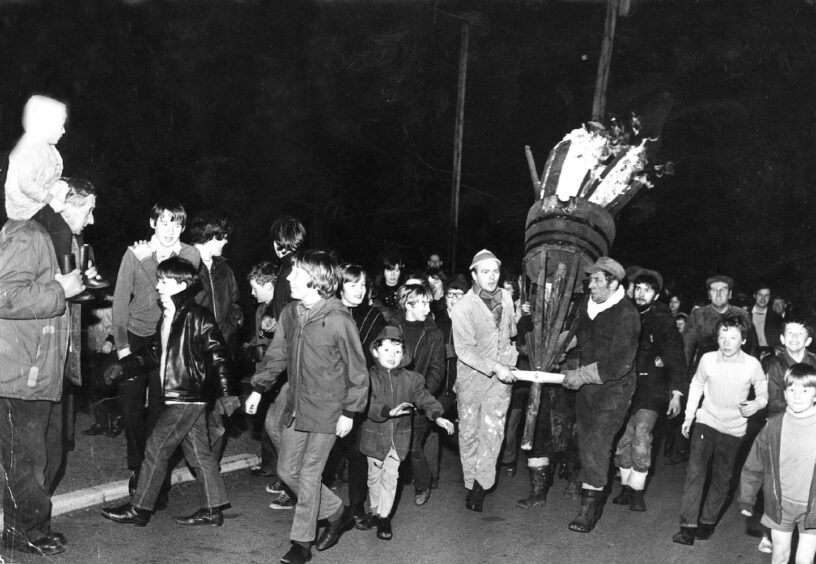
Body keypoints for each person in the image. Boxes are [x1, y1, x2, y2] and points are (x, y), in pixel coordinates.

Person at [244, 250, 368, 564]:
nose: (287, 278)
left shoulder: (339, 320)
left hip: (330, 411)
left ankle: (301, 544)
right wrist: (258, 388)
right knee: (287, 471)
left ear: (316, 281)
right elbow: (276, 355)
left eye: (295, 274)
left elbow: (358, 372)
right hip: (298, 407)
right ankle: (337, 511)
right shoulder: (290, 313)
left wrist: (349, 412)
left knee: (310, 474)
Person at [101, 257, 240, 527]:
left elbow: (218, 356)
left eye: (164, 281)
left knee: (155, 446)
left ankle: (140, 508)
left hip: (187, 395)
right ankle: (212, 510)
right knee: (199, 452)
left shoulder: (197, 316)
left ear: (180, 285)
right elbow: (154, 353)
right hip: (183, 395)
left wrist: (227, 393)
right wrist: (123, 366)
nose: (158, 285)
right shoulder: (168, 316)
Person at [0, 177, 94, 556]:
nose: (92, 216)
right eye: (87, 207)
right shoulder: (27, 234)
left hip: (43, 372)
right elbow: (6, 295)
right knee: (25, 460)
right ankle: (21, 532)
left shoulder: (57, 239)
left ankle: (32, 524)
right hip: (18, 372)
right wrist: (62, 291)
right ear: (64, 203)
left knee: (47, 456)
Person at [111, 201, 201, 497]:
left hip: (168, 339)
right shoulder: (133, 254)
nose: (170, 231)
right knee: (130, 407)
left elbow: (172, 290)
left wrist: (148, 258)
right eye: (164, 223)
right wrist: (123, 347)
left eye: (177, 225)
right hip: (137, 338)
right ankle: (140, 466)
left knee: (161, 411)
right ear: (152, 223)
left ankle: (156, 476)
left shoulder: (190, 254)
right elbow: (120, 301)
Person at [559, 257, 640, 533]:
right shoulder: (589, 303)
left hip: (614, 390)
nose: (590, 284)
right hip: (588, 390)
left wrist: (580, 375)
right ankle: (589, 493)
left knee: (597, 442)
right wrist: (562, 345)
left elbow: (619, 363)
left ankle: (588, 512)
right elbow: (581, 332)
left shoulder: (627, 314)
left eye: (596, 280)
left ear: (614, 283)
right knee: (585, 441)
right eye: (590, 279)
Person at [672, 315, 767, 545]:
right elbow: (696, 385)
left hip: (734, 430)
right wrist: (689, 416)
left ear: (743, 340)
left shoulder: (752, 365)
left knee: (722, 479)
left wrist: (756, 404)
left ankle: (707, 521)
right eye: (722, 336)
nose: (726, 342)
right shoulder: (707, 359)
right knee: (695, 472)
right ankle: (687, 526)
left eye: (732, 337)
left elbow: (763, 392)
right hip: (706, 421)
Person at [359, 326, 454, 540]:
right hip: (374, 437)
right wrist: (387, 411)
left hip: (399, 439)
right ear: (375, 352)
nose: (392, 356)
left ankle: (384, 518)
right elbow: (366, 404)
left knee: (390, 477)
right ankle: (375, 511)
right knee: (374, 478)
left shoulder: (412, 379)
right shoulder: (367, 377)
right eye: (387, 350)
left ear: (404, 354)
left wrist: (437, 415)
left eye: (397, 351)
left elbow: (425, 399)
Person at [612, 269, 686, 512]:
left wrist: (676, 393)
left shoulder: (663, 319)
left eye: (648, 290)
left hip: (653, 387)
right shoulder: (625, 313)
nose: (642, 294)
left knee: (642, 435)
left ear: (656, 295)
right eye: (639, 288)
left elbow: (675, 356)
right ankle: (625, 487)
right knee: (624, 439)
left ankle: (637, 492)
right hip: (626, 387)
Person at [451, 249, 518, 513]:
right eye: (485, 272)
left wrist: (509, 356)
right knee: (469, 434)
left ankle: (479, 486)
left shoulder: (507, 298)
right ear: (474, 275)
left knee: (492, 432)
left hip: (500, 382)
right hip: (471, 379)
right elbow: (464, 350)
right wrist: (495, 366)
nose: (491, 277)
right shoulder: (463, 307)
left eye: (495, 271)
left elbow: (509, 332)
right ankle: (470, 481)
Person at [670, 274, 758, 465]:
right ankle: (687, 452)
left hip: (735, 374)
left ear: (730, 293)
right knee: (696, 415)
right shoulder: (698, 314)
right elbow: (687, 348)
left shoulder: (742, 316)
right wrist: (682, 381)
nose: (718, 294)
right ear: (709, 294)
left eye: (723, 290)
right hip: (705, 371)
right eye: (714, 290)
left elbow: (752, 350)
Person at [738, 363, 816, 564]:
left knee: (804, 560)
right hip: (779, 505)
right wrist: (747, 498)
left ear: (815, 395)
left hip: (813, 507)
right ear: (785, 393)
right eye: (792, 389)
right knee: (779, 556)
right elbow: (754, 463)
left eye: (805, 390)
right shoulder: (773, 426)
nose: (797, 395)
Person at [327, 263, 386, 527]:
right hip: (329, 394)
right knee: (326, 452)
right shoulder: (329, 312)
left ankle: (356, 506)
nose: (359, 290)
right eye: (353, 284)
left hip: (358, 394)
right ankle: (321, 506)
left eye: (363, 285)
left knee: (356, 452)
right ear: (340, 286)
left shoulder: (374, 317)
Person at [756, 316, 816, 554]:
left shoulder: (814, 362)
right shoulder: (774, 363)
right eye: (789, 333)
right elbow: (774, 399)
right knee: (771, 474)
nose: (793, 338)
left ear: (808, 340)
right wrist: (796, 411)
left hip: (810, 422)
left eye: (799, 334)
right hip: (781, 421)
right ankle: (768, 529)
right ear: (781, 338)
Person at [395, 283, 445, 506]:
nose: (428, 308)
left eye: (428, 302)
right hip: (394, 397)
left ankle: (422, 485)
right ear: (408, 304)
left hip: (420, 399)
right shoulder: (392, 328)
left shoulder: (433, 333)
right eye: (423, 303)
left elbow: (437, 370)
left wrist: (421, 396)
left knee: (413, 444)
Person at [188, 212, 243, 354]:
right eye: (224, 237)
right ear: (212, 236)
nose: (226, 241)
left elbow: (235, 302)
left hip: (224, 347)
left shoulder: (225, 269)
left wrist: (234, 323)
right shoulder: (185, 267)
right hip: (196, 350)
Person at [371, 251, 405, 324]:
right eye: (389, 270)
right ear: (383, 271)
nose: (393, 274)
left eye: (396, 270)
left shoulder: (405, 289)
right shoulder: (375, 291)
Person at [752, 283, 783, 360]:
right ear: (754, 296)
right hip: (750, 353)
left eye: (766, 295)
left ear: (770, 298)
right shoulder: (745, 314)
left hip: (770, 354)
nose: (763, 299)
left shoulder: (776, 317)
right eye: (760, 295)